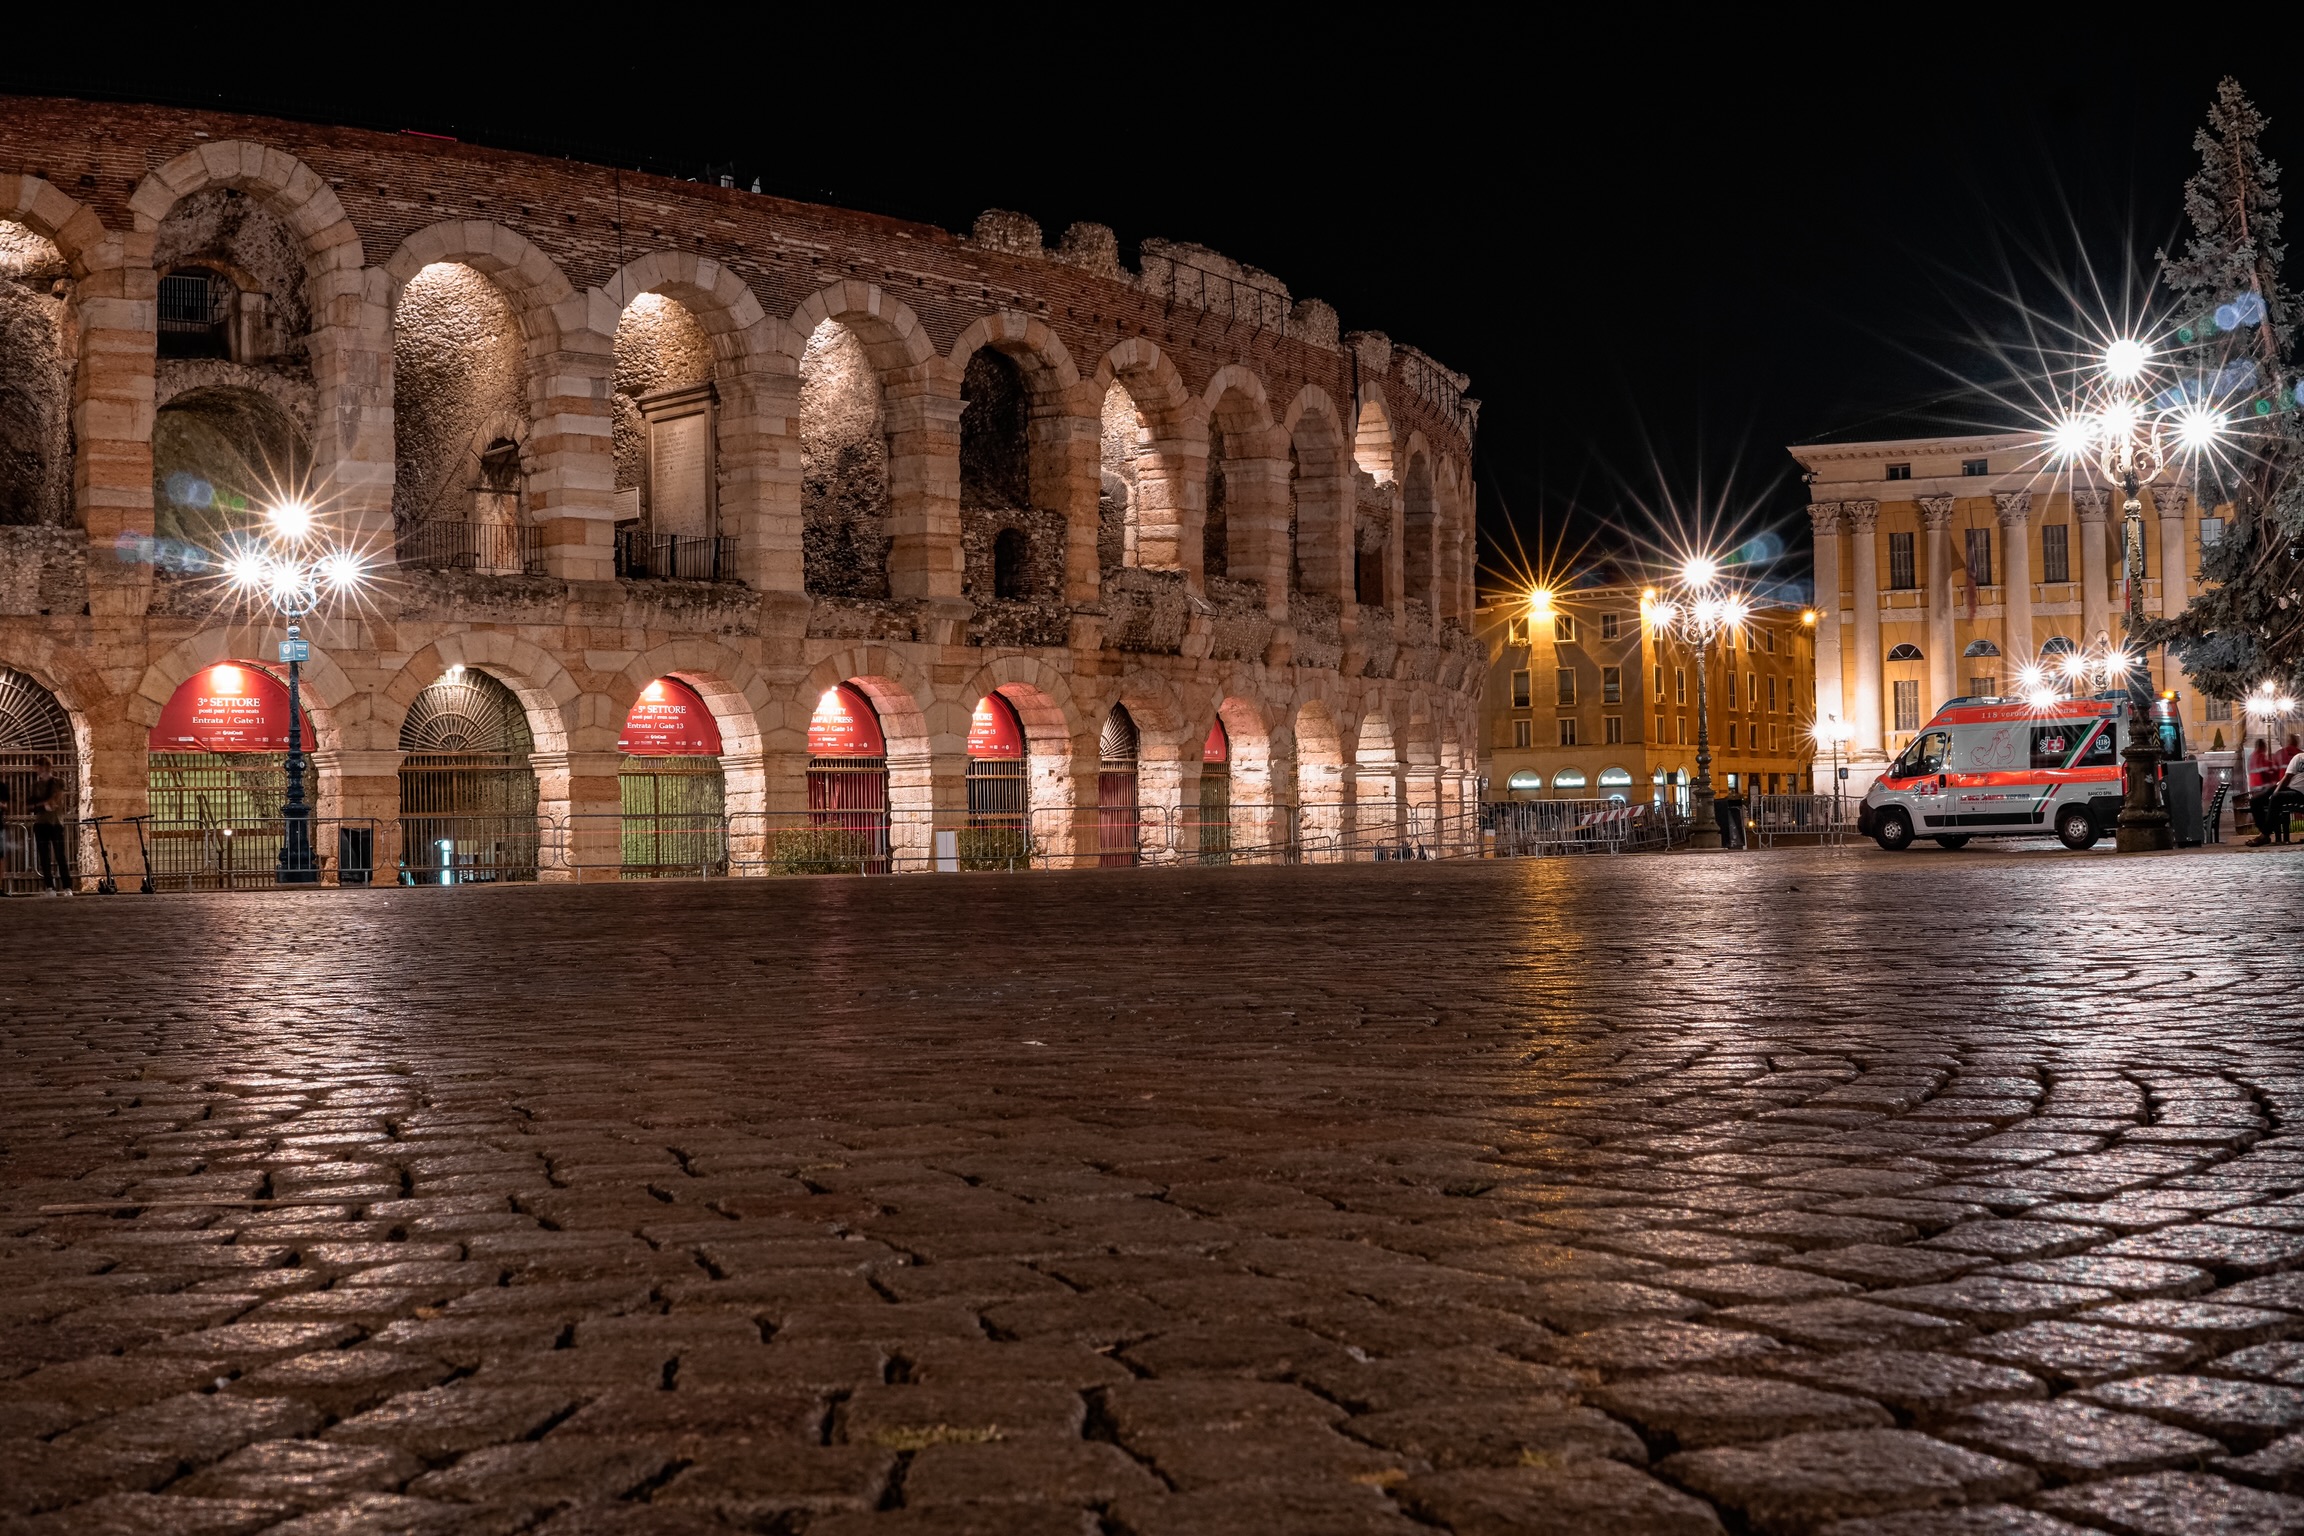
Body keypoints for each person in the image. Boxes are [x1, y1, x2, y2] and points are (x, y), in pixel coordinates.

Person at [2251, 750, 2304, 846]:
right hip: (2286, 786)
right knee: (2255, 801)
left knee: (2277, 798)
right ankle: (2265, 832)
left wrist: (2275, 795)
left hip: (2300, 793)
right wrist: (2276, 791)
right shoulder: (2299, 757)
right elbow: (2287, 777)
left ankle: (2264, 835)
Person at [30, 775, 70, 894]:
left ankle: (67, 887)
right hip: (42, 824)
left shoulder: (59, 783)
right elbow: (31, 806)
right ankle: (50, 887)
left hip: (56, 824)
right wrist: (42, 805)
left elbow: (61, 798)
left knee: (60, 856)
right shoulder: (37, 786)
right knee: (45, 857)